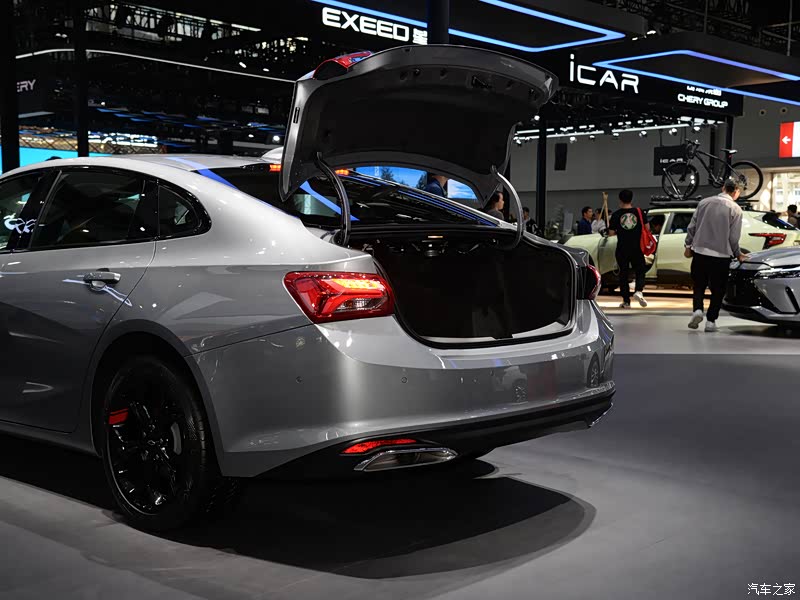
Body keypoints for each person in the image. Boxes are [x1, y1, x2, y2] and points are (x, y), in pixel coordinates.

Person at [684, 179, 748, 332]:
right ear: (736, 192)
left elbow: (692, 226)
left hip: (700, 252)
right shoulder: (736, 209)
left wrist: (688, 245)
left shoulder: (704, 203)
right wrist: (738, 253)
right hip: (721, 256)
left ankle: (697, 310)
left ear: (723, 188)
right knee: (718, 290)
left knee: (699, 285)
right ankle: (711, 322)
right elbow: (733, 237)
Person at [608, 189, 649, 308]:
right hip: (637, 247)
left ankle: (626, 301)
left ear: (620, 199)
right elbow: (647, 228)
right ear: (631, 199)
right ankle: (638, 291)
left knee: (623, 274)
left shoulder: (616, 215)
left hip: (622, 248)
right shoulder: (639, 212)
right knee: (640, 270)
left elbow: (611, 233)